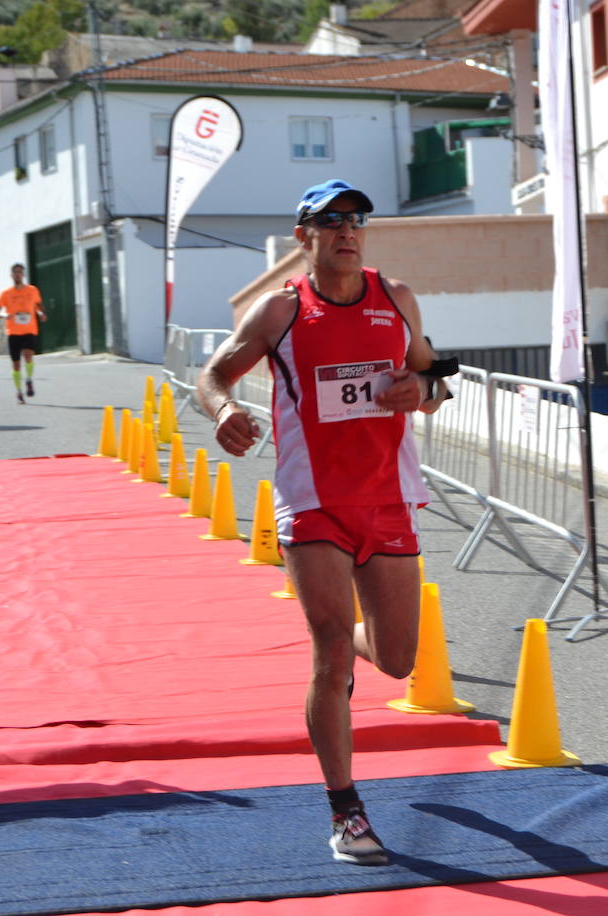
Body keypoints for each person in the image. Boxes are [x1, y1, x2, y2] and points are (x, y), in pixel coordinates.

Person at [197, 179, 450, 867]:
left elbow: (437, 380)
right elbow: (211, 377)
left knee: (398, 660)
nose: (347, 230)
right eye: (331, 220)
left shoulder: (395, 298)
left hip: (388, 499)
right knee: (330, 649)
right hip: (312, 503)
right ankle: (347, 811)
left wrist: (420, 390)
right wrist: (224, 412)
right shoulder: (278, 312)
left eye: (357, 220)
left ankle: (349, 655)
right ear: (304, 235)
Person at [0, 263, 44, 403]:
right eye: (15, 272)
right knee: (16, 364)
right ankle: (19, 391)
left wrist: (41, 313)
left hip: (29, 329)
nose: (18, 274)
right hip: (13, 332)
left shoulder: (33, 290)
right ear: (11, 275)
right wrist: (4, 315)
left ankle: (28, 380)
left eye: (20, 272)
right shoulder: (6, 294)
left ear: (23, 274)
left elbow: (38, 304)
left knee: (28, 356)